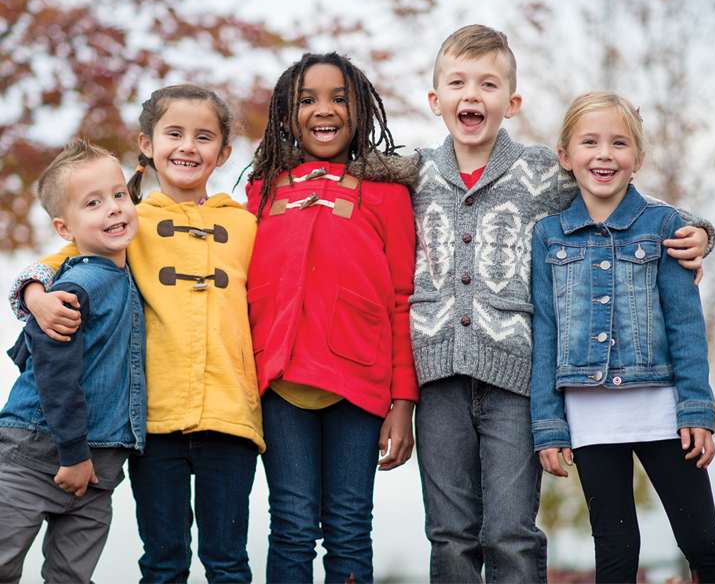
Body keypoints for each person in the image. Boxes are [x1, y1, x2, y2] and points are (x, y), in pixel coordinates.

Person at [410, 25, 712, 583]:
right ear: (435, 100)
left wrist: (700, 231)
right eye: (456, 83)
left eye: (488, 84)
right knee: (452, 534)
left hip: (519, 376)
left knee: (512, 532)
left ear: (512, 101)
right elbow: (353, 169)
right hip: (443, 372)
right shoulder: (416, 170)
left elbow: (620, 195)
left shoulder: (540, 172)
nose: (471, 95)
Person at [8, 85, 263, 583]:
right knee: (163, 560)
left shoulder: (246, 225)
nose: (188, 146)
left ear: (224, 153)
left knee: (229, 560)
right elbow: (51, 266)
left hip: (231, 414)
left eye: (204, 136)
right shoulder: (128, 221)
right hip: (154, 425)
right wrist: (36, 295)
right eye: (174, 133)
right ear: (146, 144)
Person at [531, 91, 715, 583]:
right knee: (615, 548)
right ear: (565, 156)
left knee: (702, 539)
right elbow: (545, 331)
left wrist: (697, 409)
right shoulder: (548, 235)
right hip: (590, 414)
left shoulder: (666, 227)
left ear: (637, 159)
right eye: (589, 142)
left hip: (661, 408)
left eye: (619, 143)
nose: (604, 154)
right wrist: (548, 425)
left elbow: (685, 326)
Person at [245, 52, 418, 584]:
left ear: (361, 110)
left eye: (339, 98)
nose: (325, 110)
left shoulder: (388, 195)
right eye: (307, 99)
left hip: (359, 388)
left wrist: (403, 400)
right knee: (292, 526)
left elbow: (401, 298)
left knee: (348, 527)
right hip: (279, 386)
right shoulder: (262, 192)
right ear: (284, 113)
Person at [0, 140, 145, 584]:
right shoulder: (81, 284)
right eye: (94, 203)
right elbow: (54, 372)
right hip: (42, 449)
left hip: (99, 463)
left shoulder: (125, 273)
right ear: (65, 228)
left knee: (70, 575)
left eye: (119, 195)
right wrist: (73, 453)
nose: (114, 209)